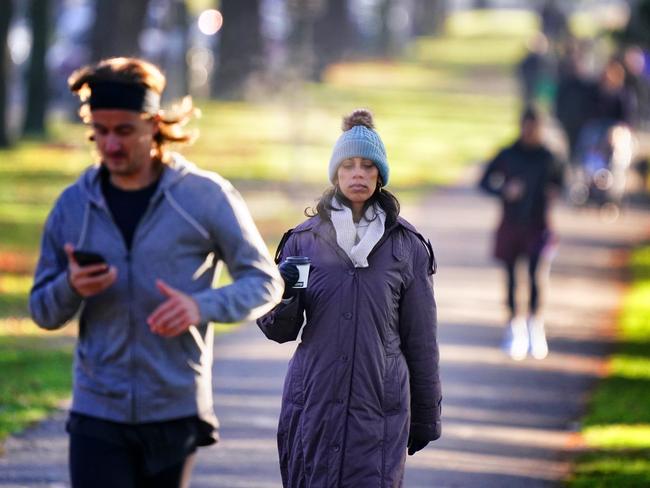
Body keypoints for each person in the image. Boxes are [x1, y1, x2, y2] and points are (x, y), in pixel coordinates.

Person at [29, 57, 282, 488]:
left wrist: (199, 306)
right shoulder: (73, 206)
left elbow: (265, 281)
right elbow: (42, 311)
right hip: (96, 409)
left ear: (154, 125)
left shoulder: (203, 198)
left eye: (124, 130)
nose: (110, 144)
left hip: (175, 407)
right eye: (100, 131)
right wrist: (71, 286)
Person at [257, 109, 442, 487]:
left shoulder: (407, 248)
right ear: (336, 174)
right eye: (348, 166)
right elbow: (278, 330)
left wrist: (425, 417)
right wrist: (286, 296)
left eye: (367, 167)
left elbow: (421, 341)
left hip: (378, 405)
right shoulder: (302, 240)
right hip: (314, 401)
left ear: (380, 175)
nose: (358, 174)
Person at [479, 107, 564, 360]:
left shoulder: (549, 157)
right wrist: (505, 190)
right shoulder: (507, 154)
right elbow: (484, 182)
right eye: (526, 127)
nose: (530, 133)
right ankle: (514, 328)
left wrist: (554, 191)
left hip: (539, 224)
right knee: (511, 277)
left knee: (537, 275)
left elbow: (562, 181)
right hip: (511, 223)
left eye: (535, 128)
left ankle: (535, 325)